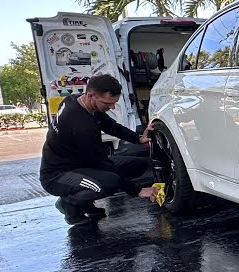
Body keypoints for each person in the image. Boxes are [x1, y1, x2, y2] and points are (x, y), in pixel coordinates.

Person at [40, 74, 156, 224]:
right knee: (109, 182)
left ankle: (86, 204)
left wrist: (139, 138)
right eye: (107, 103)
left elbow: (112, 127)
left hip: (79, 165)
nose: (111, 107)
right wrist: (137, 190)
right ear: (91, 95)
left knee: (137, 165)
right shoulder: (81, 125)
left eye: (114, 103)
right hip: (57, 175)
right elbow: (102, 163)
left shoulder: (75, 100)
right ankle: (69, 204)